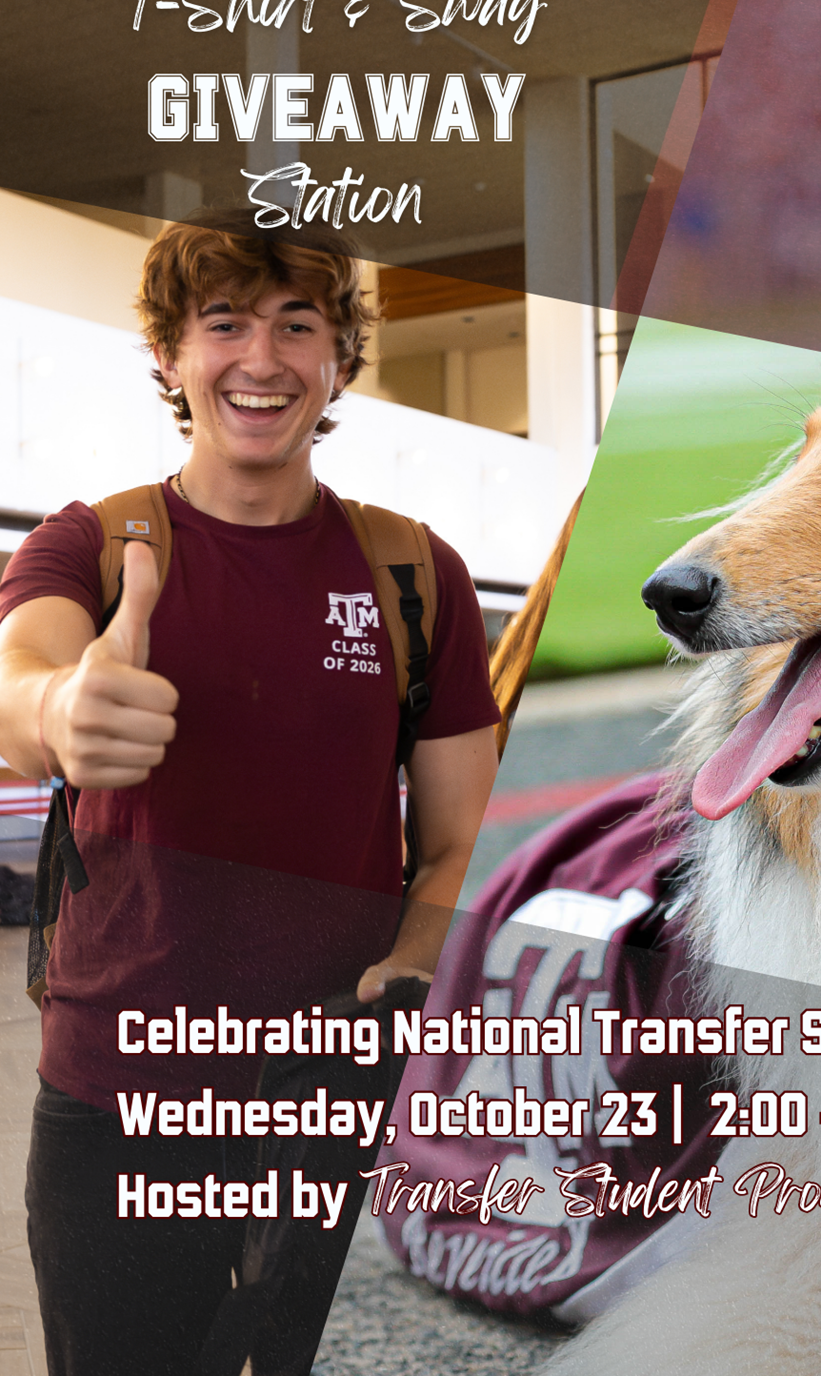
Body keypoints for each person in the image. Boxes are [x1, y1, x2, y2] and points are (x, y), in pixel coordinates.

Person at [0, 213, 502, 1375]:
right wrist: (63, 712)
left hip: (337, 1101)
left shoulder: (413, 573)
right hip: (121, 1096)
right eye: (223, 324)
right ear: (172, 357)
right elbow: (20, 682)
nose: (262, 358)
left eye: (297, 324)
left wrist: (418, 950)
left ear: (338, 359)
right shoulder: (95, 543)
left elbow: (459, 836)